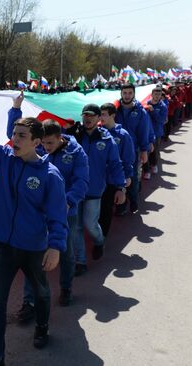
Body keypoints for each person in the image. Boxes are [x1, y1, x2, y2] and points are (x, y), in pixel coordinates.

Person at [0, 90, 68, 366]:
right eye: (14, 134)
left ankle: (42, 327)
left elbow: (57, 215)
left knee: (41, 292)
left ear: (37, 142)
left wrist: (55, 247)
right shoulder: (4, 158)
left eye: (22, 136)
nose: (14, 139)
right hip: (3, 245)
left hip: (33, 247)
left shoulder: (50, 176)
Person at [7, 94, 88, 313]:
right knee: (33, 255)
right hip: (39, 213)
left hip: (66, 212)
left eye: (50, 143)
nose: (45, 147)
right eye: (42, 143)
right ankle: (29, 301)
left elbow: (81, 182)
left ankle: (66, 288)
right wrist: (16, 108)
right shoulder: (39, 148)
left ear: (61, 137)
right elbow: (14, 135)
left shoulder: (76, 152)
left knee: (66, 252)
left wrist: (69, 202)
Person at [66, 104, 126, 275]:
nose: (87, 118)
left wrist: (121, 187)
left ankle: (99, 241)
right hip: (75, 190)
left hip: (94, 190)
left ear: (99, 118)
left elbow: (115, 164)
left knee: (90, 225)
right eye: (85, 115)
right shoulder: (73, 136)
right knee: (76, 227)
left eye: (92, 115)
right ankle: (81, 261)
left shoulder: (107, 140)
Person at [115, 84, 151, 214]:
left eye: (130, 93)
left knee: (133, 177)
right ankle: (121, 205)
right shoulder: (115, 109)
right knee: (118, 176)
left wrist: (144, 150)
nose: (127, 96)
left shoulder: (140, 112)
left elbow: (144, 132)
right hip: (116, 149)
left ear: (134, 94)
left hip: (133, 149)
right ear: (121, 94)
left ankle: (134, 200)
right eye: (124, 93)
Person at [99, 103, 134, 232]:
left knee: (108, 207)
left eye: (103, 114)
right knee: (102, 207)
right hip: (100, 178)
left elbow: (128, 157)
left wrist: (127, 175)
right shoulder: (98, 133)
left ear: (112, 115)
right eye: (100, 114)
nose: (100, 117)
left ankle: (102, 236)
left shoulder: (123, 135)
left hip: (114, 178)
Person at [143, 87, 168, 179]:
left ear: (161, 95)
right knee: (145, 151)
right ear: (152, 94)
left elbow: (162, 120)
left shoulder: (163, 106)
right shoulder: (146, 104)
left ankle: (154, 165)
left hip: (156, 133)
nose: (157, 96)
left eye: (159, 94)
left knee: (154, 151)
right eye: (155, 94)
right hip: (145, 132)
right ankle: (147, 170)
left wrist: (153, 111)